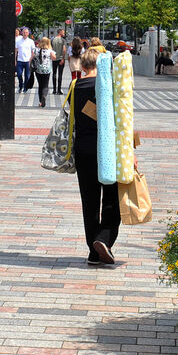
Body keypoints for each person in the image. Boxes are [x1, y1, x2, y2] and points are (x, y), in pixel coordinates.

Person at [71, 48, 120, 265]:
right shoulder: (107, 87)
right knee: (112, 199)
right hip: (107, 150)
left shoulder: (75, 87)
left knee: (89, 202)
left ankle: (93, 251)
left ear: (82, 66)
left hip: (83, 150)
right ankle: (104, 239)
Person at [33, 36, 56, 107]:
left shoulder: (36, 50)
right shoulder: (49, 51)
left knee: (40, 85)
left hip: (38, 70)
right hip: (46, 70)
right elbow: (54, 58)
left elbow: (32, 57)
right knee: (45, 85)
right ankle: (44, 95)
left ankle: (40, 101)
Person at [15, 27, 34, 92]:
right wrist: (15, 60)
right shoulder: (18, 41)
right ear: (22, 33)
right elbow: (16, 51)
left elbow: (33, 52)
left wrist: (30, 60)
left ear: (28, 33)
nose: (25, 34)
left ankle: (25, 87)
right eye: (23, 32)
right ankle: (21, 85)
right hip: (20, 60)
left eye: (26, 32)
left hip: (27, 61)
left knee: (27, 76)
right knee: (19, 74)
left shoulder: (31, 41)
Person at [51, 29, 67, 94]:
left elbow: (50, 49)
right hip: (60, 59)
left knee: (54, 73)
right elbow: (64, 49)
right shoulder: (63, 40)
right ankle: (59, 89)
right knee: (60, 74)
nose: (64, 33)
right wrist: (63, 58)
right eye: (63, 32)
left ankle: (54, 89)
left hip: (54, 59)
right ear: (60, 32)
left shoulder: (52, 39)